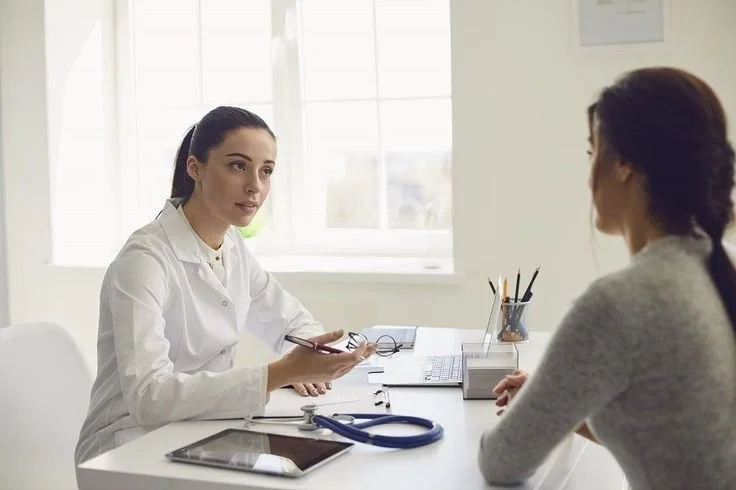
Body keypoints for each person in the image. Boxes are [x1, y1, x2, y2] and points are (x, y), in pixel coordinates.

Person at [477, 67, 736, 489]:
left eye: (591, 152)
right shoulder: (722, 265)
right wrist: (560, 402)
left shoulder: (620, 303)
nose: (587, 176)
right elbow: (675, 436)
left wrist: (545, 407)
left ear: (622, 164)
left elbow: (500, 461)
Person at [75, 106, 375, 465]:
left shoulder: (231, 246)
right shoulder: (144, 260)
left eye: (266, 171)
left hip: (198, 429)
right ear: (195, 167)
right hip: (127, 444)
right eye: (238, 166)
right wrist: (282, 373)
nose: (255, 186)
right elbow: (149, 397)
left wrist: (312, 358)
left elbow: (292, 322)